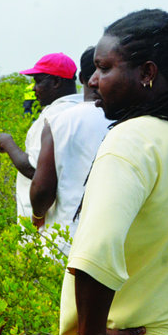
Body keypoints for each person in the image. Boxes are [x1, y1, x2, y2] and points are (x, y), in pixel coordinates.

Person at [59, 9, 168, 335]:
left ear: (147, 73)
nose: (93, 80)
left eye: (104, 68)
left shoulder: (132, 139)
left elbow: (97, 253)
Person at [28, 47, 109, 256]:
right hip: (115, 241)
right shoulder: (131, 120)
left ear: (83, 77)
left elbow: (42, 187)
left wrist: (37, 216)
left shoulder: (58, 121)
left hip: (67, 239)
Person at [0, 53, 82, 223]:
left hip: (47, 222)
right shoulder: (86, 111)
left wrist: (7, 142)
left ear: (56, 82)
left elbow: (34, 170)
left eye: (38, 81)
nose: (34, 88)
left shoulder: (50, 118)